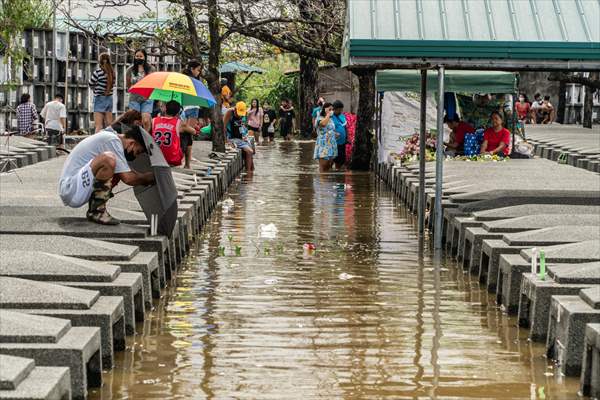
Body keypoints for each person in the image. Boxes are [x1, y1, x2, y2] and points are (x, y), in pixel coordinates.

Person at [58, 124, 154, 225]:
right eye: (137, 152)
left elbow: (128, 172)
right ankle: (97, 211)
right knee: (108, 159)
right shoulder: (112, 141)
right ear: (131, 143)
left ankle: (96, 207)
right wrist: (147, 178)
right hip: (71, 189)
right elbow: (128, 178)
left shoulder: (112, 138)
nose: (136, 156)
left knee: (119, 167)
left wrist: (144, 178)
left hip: (75, 186)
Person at [151, 100, 195, 167]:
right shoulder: (179, 123)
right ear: (178, 112)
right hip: (173, 159)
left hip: (156, 158)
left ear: (165, 109)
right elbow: (194, 131)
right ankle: (187, 165)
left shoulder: (154, 120)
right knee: (187, 134)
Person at [180, 60, 203, 168]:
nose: (199, 72)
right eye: (198, 70)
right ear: (192, 69)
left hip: (183, 107)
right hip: (193, 107)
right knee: (189, 133)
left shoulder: (182, 78)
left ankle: (185, 158)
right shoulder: (194, 81)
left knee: (183, 133)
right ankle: (187, 159)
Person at [126, 49, 155, 132]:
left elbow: (154, 83)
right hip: (134, 98)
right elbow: (128, 84)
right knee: (135, 121)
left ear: (145, 57)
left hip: (147, 98)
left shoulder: (151, 69)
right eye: (137, 56)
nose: (139, 58)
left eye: (141, 56)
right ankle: (137, 139)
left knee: (146, 120)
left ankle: (147, 138)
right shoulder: (130, 70)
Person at [223, 101, 254, 172]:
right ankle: (248, 174)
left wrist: (244, 136)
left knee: (252, 157)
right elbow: (223, 127)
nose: (240, 116)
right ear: (235, 109)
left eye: (241, 114)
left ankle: (250, 173)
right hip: (232, 138)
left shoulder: (244, 114)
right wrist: (226, 141)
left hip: (240, 138)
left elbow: (242, 126)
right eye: (239, 113)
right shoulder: (229, 112)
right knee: (250, 151)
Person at [89, 52, 115, 133]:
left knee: (98, 126)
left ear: (100, 61)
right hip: (109, 99)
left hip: (99, 98)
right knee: (109, 125)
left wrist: (95, 88)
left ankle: (97, 144)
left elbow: (91, 83)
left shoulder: (98, 72)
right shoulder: (112, 73)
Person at [313, 102, 338, 172]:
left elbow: (331, 129)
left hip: (331, 144)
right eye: (330, 109)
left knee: (328, 166)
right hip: (323, 145)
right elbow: (323, 124)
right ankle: (322, 182)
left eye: (332, 109)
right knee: (323, 166)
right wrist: (328, 114)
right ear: (324, 109)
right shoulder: (319, 118)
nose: (331, 111)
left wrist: (335, 134)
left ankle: (327, 182)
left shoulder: (331, 119)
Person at [331, 100, 347, 170]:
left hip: (342, 142)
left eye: (341, 110)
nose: (340, 111)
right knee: (333, 159)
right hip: (334, 143)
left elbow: (345, 126)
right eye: (339, 110)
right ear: (334, 109)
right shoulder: (330, 117)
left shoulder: (342, 116)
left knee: (341, 159)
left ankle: (338, 173)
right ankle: (331, 173)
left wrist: (347, 137)